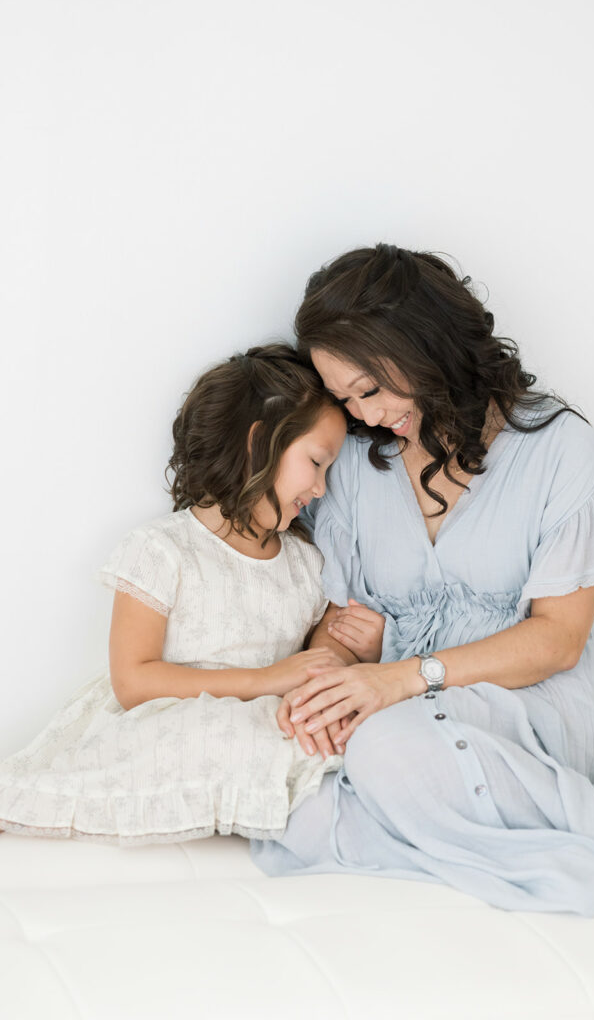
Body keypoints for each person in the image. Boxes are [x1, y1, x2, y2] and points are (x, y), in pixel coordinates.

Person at [251, 244, 594, 915]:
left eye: (370, 390)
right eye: (343, 398)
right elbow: (336, 624)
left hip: (542, 710)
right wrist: (325, 687)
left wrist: (398, 677)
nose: (363, 416)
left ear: (425, 346)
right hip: (399, 713)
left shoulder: (558, 449)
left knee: (384, 751)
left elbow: (557, 641)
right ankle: (489, 829)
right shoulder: (360, 467)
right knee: (289, 793)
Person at [0, 343, 349, 844]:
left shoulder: (306, 565)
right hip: (174, 717)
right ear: (258, 443)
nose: (320, 488)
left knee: (294, 741)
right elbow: (134, 682)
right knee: (205, 736)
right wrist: (268, 678)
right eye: (316, 462)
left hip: (261, 723)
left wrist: (345, 643)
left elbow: (318, 656)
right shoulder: (162, 549)